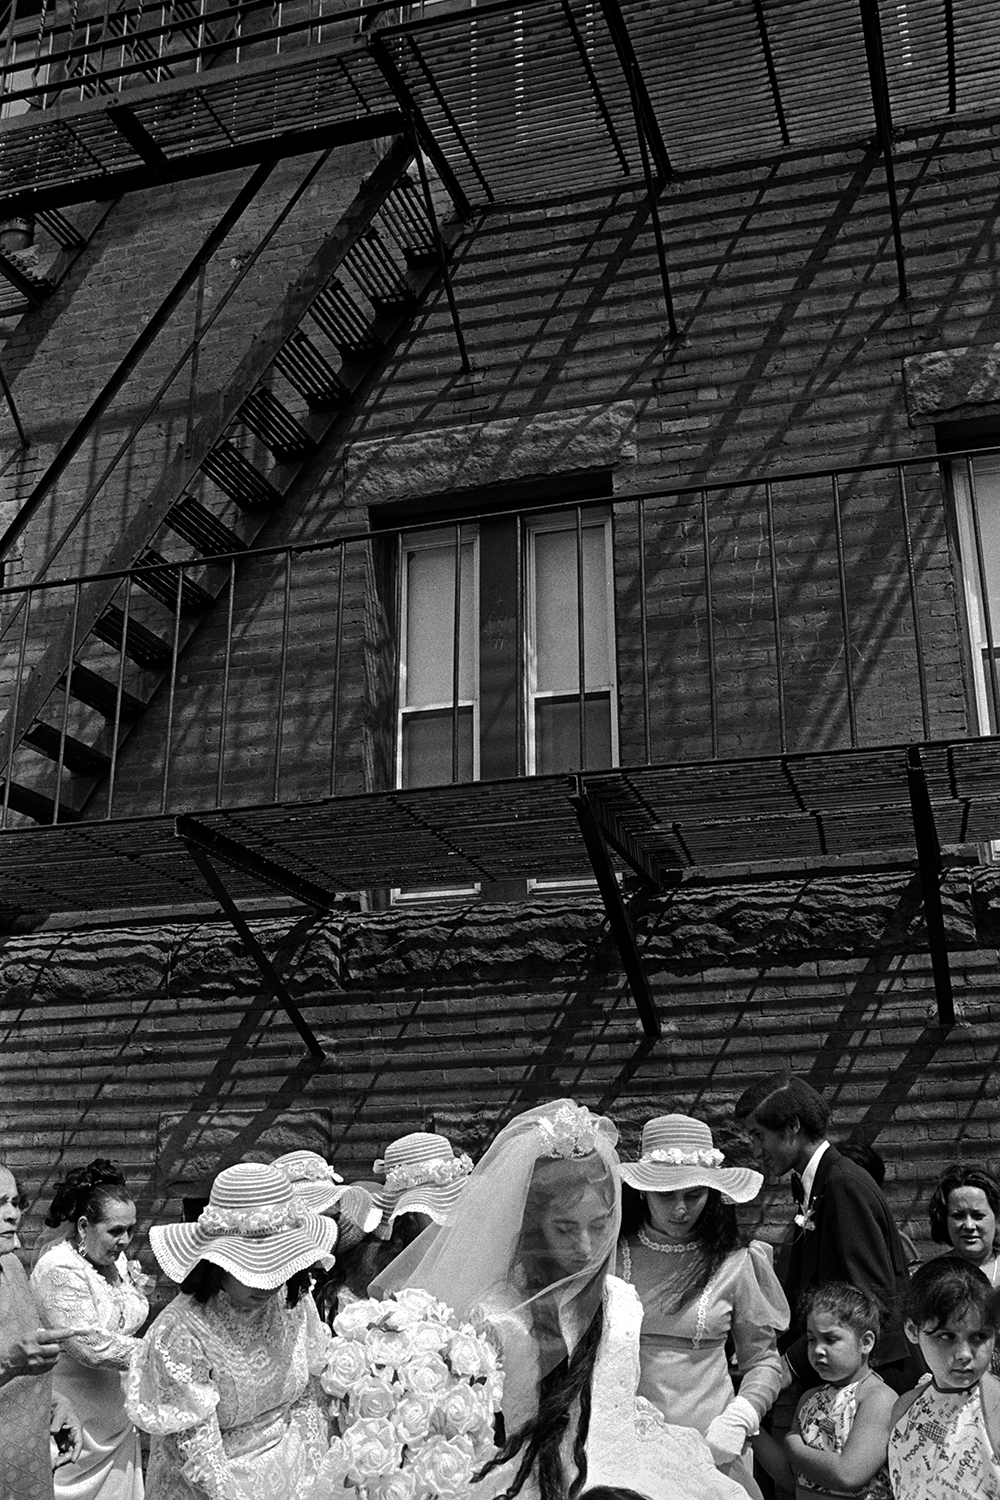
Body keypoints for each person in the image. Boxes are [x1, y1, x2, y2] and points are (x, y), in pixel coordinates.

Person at [373, 1098, 748, 1500]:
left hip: (629, 1470)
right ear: (535, 1227)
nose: (586, 1247)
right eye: (566, 1229)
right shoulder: (499, 1314)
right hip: (529, 1476)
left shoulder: (622, 1299)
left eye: (599, 1225)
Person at [126, 1161, 336, 1500]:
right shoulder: (180, 1330)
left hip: (292, 1477)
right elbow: (198, 1450)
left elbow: (307, 1397)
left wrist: (314, 1476)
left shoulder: (293, 1300)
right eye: (252, 1265)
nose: (270, 1281)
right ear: (215, 1260)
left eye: (280, 1262)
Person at [616, 1114, 789, 1498]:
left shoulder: (736, 1262)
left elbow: (763, 1360)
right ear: (643, 1191)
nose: (681, 1209)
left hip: (713, 1446)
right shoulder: (610, 1258)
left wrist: (742, 1416)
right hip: (629, 1448)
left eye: (694, 1195)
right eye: (666, 1194)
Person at [734, 1074, 910, 1391]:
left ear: (792, 1127)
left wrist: (791, 1364)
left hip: (871, 1379)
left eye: (759, 1135)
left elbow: (866, 1297)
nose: (756, 1150)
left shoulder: (844, 1184)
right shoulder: (811, 1184)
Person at [30, 1159, 149, 1500]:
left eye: (131, 1229)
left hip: (117, 1415)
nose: (125, 1240)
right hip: (76, 1415)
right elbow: (90, 1347)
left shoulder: (115, 1260)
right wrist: (160, 1352)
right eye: (115, 1231)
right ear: (83, 1226)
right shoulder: (58, 1269)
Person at [752, 1282, 894, 1499]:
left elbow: (849, 1474)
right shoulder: (810, 1399)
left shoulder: (877, 1398)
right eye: (811, 1339)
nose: (818, 1349)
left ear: (865, 1343)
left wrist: (792, 1445)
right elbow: (793, 1479)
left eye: (830, 1339)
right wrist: (751, 1429)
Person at [0, 1159, 85, 1500]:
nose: (13, 1214)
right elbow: (11, 1359)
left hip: (25, 1468)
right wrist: (8, 1362)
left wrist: (51, 1402)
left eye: (14, 1201)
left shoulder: (11, 1266)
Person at [888, 1257, 1000, 1499]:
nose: (963, 1354)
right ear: (912, 1331)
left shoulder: (996, 1409)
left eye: (979, 1336)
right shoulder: (904, 1410)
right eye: (946, 1336)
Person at [928, 1162, 1000, 1285]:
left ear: (997, 1217)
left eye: (978, 1216)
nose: (969, 1226)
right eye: (958, 1216)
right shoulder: (932, 1275)